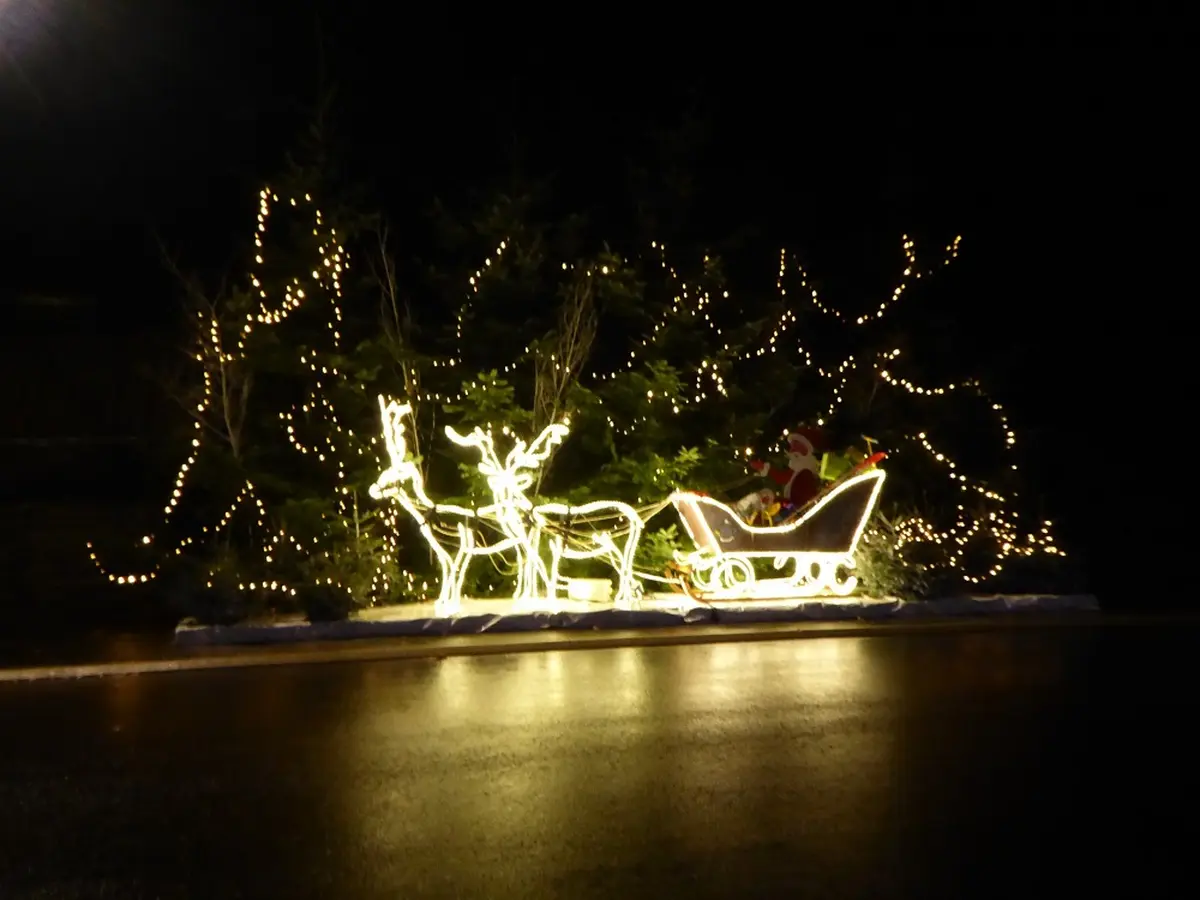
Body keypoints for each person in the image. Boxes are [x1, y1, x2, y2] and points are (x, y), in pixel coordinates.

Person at [748, 426, 824, 508]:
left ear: (804, 446)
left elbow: (784, 478)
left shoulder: (808, 465)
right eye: (791, 446)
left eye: (794, 446)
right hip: (800, 502)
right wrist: (764, 468)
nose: (791, 450)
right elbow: (783, 478)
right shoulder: (798, 466)